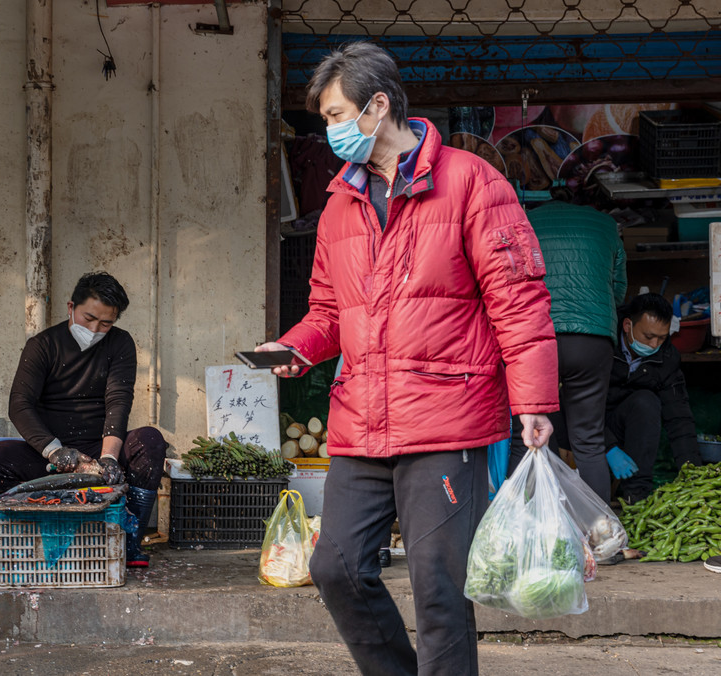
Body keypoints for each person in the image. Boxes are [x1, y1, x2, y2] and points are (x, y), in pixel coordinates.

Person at [258, 42, 557, 674]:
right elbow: (328, 311)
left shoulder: (472, 182)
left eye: (338, 116)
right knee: (335, 568)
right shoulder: (342, 202)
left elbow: (519, 300)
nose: (330, 131)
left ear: (379, 106)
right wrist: (297, 348)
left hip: (446, 419)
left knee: (439, 586)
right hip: (360, 422)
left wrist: (533, 402)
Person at [0, 272, 167, 567]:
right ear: (70, 307)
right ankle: (34, 538)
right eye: (89, 318)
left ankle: (127, 541)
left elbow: (118, 400)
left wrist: (109, 459)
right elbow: (20, 405)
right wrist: (57, 451)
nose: (95, 329)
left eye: (106, 323)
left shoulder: (120, 344)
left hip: (102, 449)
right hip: (51, 455)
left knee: (150, 440)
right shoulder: (42, 345)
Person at [505, 193, 627, 504]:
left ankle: (535, 529)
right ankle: (600, 534)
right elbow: (619, 288)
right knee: (589, 439)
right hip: (592, 339)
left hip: (536, 337)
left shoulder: (523, 221)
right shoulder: (606, 224)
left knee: (527, 435)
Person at [606, 293, 702, 505]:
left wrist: (694, 474)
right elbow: (579, 404)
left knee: (646, 401)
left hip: (630, 427)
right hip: (589, 427)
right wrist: (608, 446)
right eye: (648, 336)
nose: (654, 344)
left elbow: (679, 418)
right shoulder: (603, 343)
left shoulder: (666, 358)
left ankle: (636, 497)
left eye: (661, 338)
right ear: (627, 325)